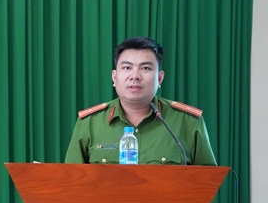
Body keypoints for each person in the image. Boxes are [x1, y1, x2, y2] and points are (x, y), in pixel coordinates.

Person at [64, 36, 217, 165]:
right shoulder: (89, 123)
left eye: (145, 68)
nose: (135, 76)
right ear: (114, 77)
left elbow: (208, 183)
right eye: (127, 68)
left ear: (159, 78)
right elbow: (71, 182)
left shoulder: (188, 122)